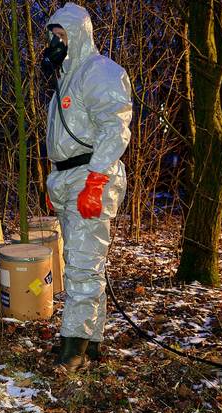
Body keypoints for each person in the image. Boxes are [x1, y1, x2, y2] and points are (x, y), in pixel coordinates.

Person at [41, 3, 132, 372]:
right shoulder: (67, 78)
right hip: (69, 177)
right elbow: (60, 137)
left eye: (62, 36)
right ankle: (90, 342)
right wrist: (54, 180)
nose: (56, 43)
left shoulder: (100, 72)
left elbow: (115, 126)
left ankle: (73, 349)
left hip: (91, 174)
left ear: (79, 34)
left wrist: (95, 179)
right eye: (52, 36)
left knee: (82, 265)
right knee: (84, 263)